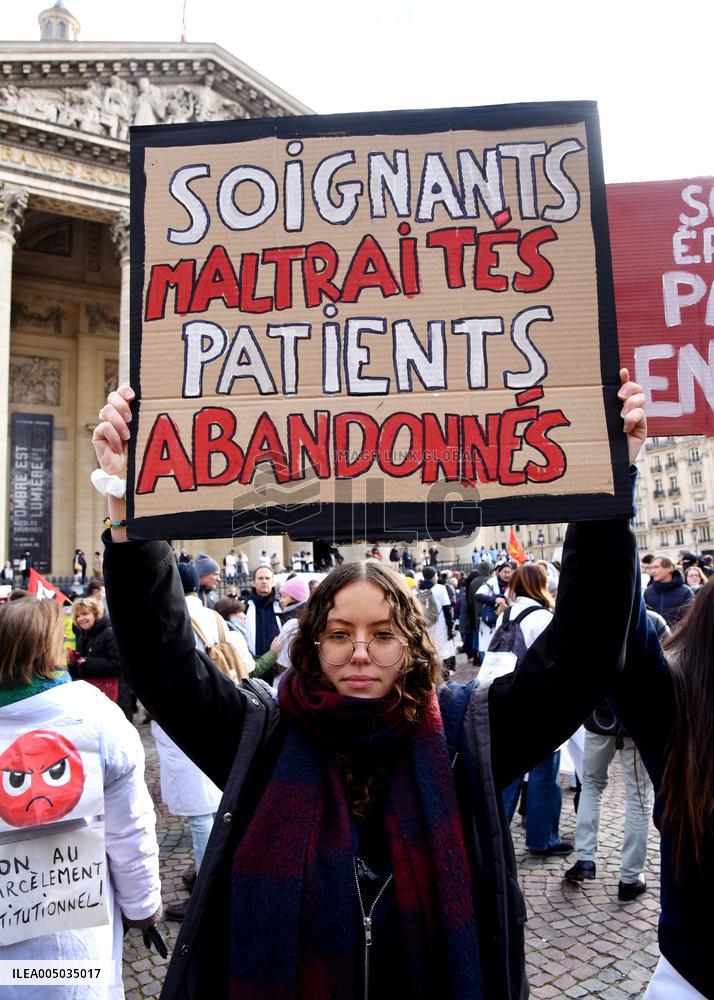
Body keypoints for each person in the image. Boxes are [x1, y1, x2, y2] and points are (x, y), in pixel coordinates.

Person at [91, 371, 644, 998]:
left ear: (411, 644)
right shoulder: (260, 736)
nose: (359, 652)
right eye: (339, 633)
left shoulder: (467, 734)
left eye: (382, 634)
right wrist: (127, 515)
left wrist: (609, 493)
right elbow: (163, 663)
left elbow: (579, 659)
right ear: (311, 643)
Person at [0, 595, 162, 997]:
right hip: (73, 937)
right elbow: (130, 831)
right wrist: (142, 909)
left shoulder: (93, 715)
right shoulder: (96, 717)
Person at [564, 608, 666, 900]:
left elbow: (575, 670)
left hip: (601, 717)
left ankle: (586, 857)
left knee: (592, 785)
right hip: (636, 721)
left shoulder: (591, 620)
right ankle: (630, 876)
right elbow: (669, 670)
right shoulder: (653, 621)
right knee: (638, 796)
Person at [498, 564, 573, 856]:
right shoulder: (543, 618)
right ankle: (542, 838)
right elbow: (556, 665)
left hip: (507, 701)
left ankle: (495, 838)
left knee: (508, 773)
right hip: (539, 705)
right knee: (544, 775)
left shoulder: (507, 614)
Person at [68, 596, 128, 715]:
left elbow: (117, 665)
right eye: (78, 616)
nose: (81, 619)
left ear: (95, 613)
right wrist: (73, 663)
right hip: (94, 694)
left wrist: (84, 661)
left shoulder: (110, 633)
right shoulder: (82, 636)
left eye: (85, 614)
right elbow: (81, 671)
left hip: (114, 695)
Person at [475, 559, 513, 661]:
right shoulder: (491, 583)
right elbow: (478, 596)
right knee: (490, 649)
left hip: (507, 621)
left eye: (509, 572)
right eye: (505, 572)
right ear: (498, 572)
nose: (507, 575)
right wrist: (495, 599)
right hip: (491, 622)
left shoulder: (513, 583)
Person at [644, 555, 693, 628]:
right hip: (654, 634)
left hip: (677, 633)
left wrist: (670, 633)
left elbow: (688, 618)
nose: (653, 571)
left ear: (669, 569)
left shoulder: (685, 592)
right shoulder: (648, 592)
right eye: (651, 568)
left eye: (656, 567)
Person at [244, 566, 282, 657]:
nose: (264, 581)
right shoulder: (245, 606)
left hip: (279, 661)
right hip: (252, 661)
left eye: (267, 578)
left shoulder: (281, 606)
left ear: (273, 582)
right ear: (253, 583)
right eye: (260, 578)